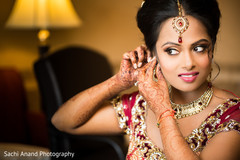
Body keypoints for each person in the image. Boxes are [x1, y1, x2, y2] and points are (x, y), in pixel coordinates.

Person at [51, 0, 240, 159]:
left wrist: (163, 110)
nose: (188, 63)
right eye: (171, 51)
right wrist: (118, 82)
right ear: (152, 54)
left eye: (199, 48)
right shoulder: (140, 106)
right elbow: (62, 121)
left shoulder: (231, 115)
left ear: (212, 49)